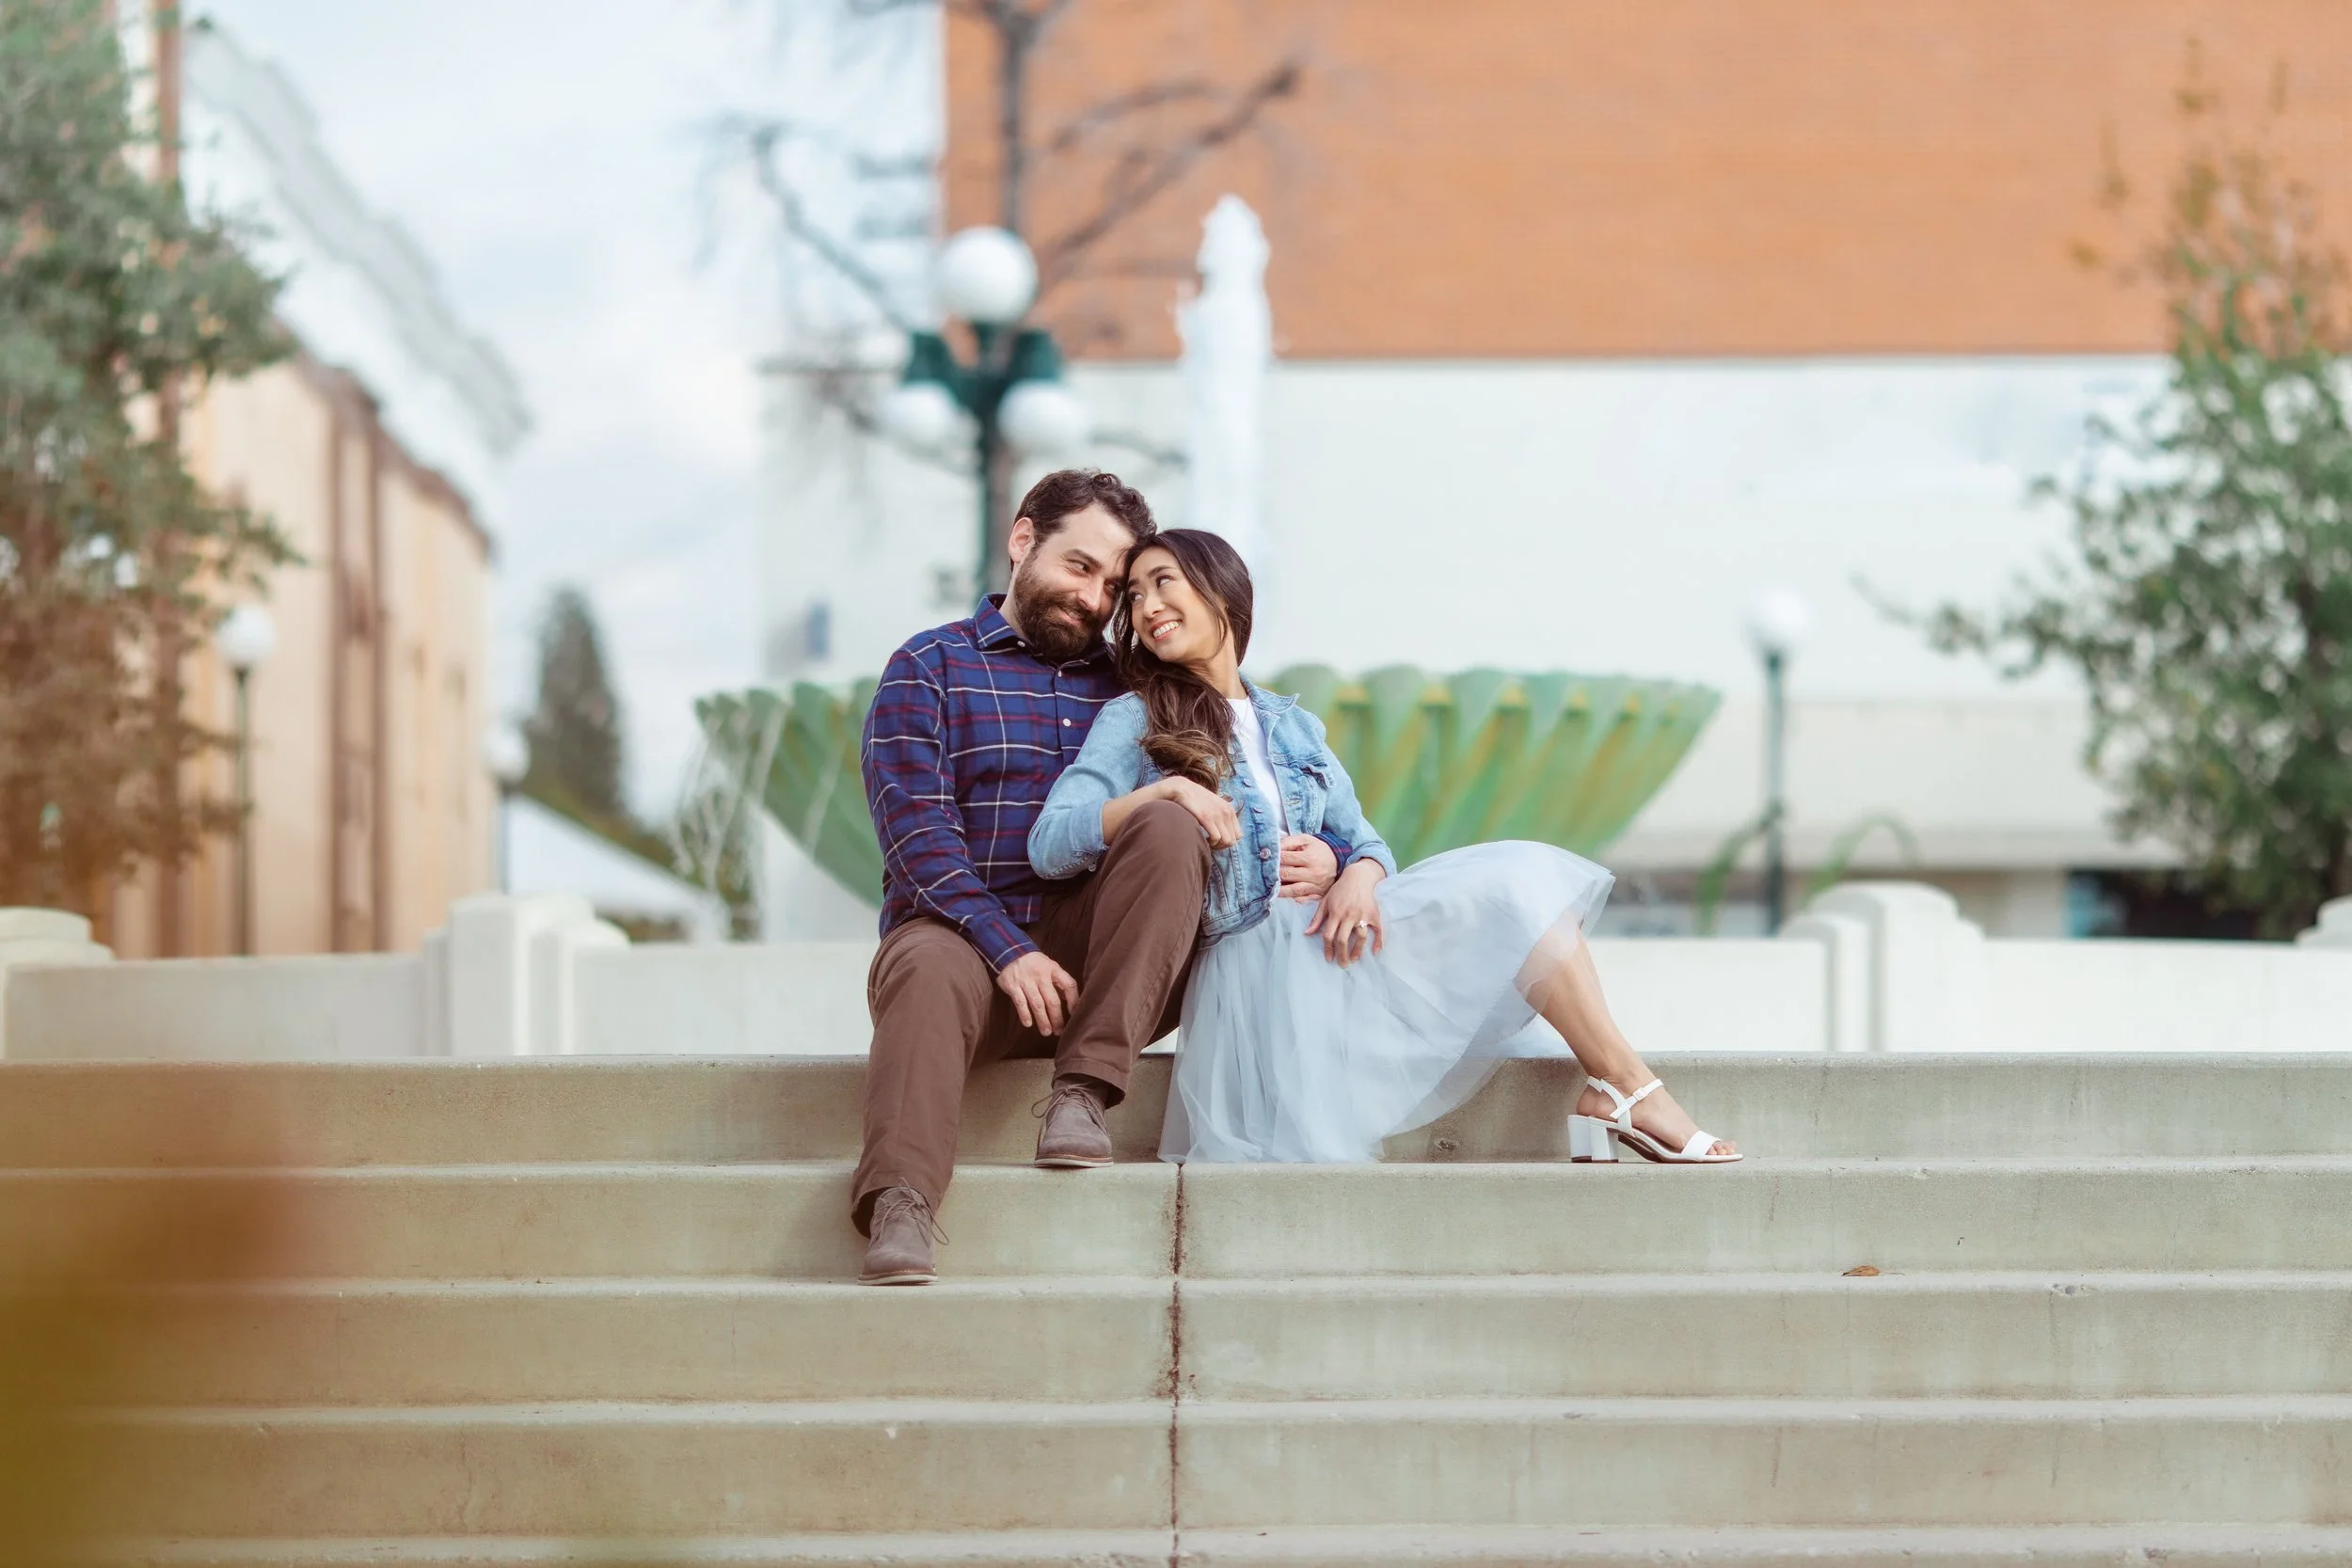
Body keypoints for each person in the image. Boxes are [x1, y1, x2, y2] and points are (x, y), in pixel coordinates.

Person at [1028, 529, 1740, 1167]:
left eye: (1164, 582)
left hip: (1333, 942)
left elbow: (1370, 842)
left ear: (1222, 592)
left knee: (1520, 884)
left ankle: (1622, 1086)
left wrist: (1353, 869)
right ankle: (1632, 1094)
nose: (1147, 605)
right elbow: (1052, 840)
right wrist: (1165, 794)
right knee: (1512, 892)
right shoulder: (1134, 717)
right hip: (1254, 961)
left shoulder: (1294, 724)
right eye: (1135, 594)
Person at [852, 473, 1346, 1286]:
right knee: (928, 961)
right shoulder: (930, 666)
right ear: (1022, 541)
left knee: (1165, 817)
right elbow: (917, 840)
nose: (1095, 597)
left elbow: (1271, 783)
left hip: (1116, 963)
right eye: (1079, 567)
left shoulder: (1142, 683)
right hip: (966, 956)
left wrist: (1336, 856)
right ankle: (902, 1201)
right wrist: (1009, 950)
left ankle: (1083, 1093)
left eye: (1112, 585)